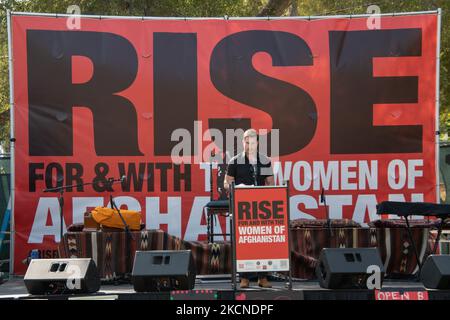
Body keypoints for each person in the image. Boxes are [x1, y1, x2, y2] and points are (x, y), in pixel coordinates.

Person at [224, 128, 275, 288]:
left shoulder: (264, 160)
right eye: (246, 142)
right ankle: (244, 278)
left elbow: (270, 182)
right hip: (242, 207)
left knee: (261, 241)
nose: (249, 145)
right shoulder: (234, 161)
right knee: (244, 242)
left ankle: (262, 278)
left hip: (261, 208)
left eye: (252, 142)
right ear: (243, 142)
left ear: (257, 143)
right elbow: (226, 183)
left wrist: (267, 189)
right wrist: (234, 187)